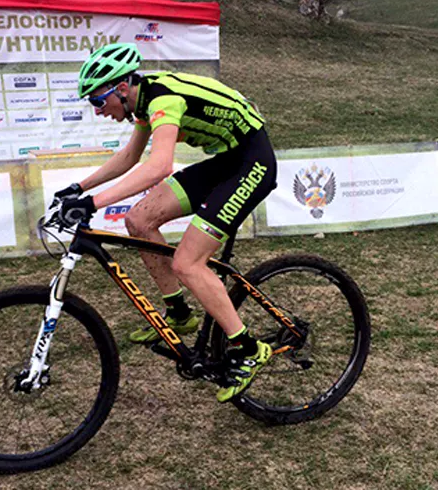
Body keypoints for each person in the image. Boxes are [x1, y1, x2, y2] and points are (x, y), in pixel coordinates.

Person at [53, 42, 277, 402]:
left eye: (98, 100)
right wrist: (79, 188)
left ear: (121, 88)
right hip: (227, 161)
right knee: (139, 219)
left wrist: (92, 203)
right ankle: (179, 313)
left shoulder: (163, 100)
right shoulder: (143, 99)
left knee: (188, 263)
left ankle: (250, 349)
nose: (97, 110)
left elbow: (159, 167)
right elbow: (130, 156)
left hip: (253, 162)